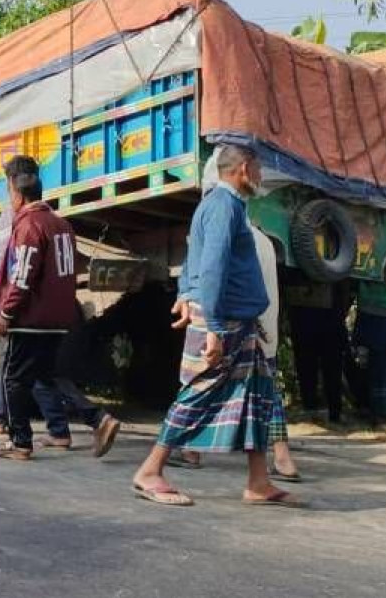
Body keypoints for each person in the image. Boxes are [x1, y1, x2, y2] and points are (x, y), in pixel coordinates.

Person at [131, 144, 299, 508]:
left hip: (241, 322)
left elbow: (196, 261)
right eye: (256, 169)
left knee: (257, 396)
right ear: (242, 169)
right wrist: (214, 330)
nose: (260, 177)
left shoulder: (226, 206)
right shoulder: (223, 207)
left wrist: (186, 292)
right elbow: (213, 268)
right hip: (224, 322)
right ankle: (151, 470)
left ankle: (259, 482)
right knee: (198, 393)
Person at [0, 157, 117, 459]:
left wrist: (6, 312)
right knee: (45, 377)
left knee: (14, 379)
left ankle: (20, 442)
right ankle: (98, 419)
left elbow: (22, 274)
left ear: (16, 194)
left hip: (30, 317)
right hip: (59, 317)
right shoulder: (62, 225)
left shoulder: (29, 225)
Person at [167, 218, 303, 482]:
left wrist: (212, 326)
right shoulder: (262, 240)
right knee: (266, 391)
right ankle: (282, 459)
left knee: (202, 385)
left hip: (234, 326)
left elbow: (211, 281)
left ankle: (185, 450)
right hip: (263, 326)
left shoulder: (224, 237)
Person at [287, 279, 353, 423]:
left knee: (328, 364)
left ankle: (332, 410)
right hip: (305, 305)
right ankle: (313, 408)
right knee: (308, 362)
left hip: (324, 309)